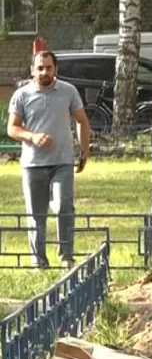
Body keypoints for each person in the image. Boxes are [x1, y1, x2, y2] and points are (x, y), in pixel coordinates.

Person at [6, 50, 91, 270]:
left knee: (64, 206)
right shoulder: (22, 95)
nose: (44, 72)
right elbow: (12, 128)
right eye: (40, 68)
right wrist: (32, 136)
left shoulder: (68, 91)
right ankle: (39, 261)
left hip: (62, 161)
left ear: (56, 69)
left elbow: (82, 120)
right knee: (36, 214)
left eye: (48, 68)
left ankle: (66, 256)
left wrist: (84, 149)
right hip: (33, 164)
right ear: (32, 71)